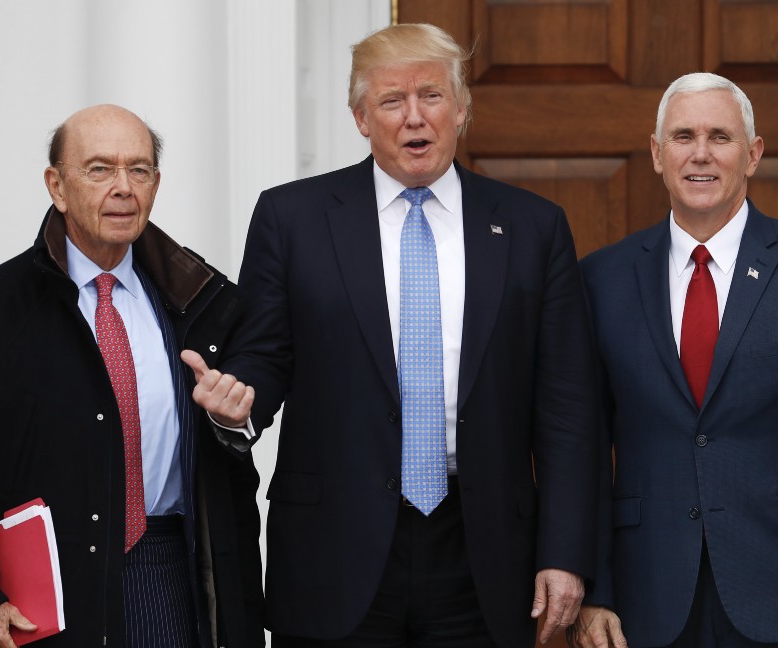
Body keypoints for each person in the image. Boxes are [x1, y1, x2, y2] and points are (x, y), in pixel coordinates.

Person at [182, 22, 598, 647]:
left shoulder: (532, 227)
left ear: (461, 109)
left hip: (483, 553)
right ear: (359, 118)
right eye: (391, 101)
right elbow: (265, 356)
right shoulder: (291, 218)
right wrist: (236, 404)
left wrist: (565, 553)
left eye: (431, 95)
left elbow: (566, 406)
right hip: (334, 548)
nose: (414, 118)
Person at [0, 105, 264, 648]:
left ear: (156, 185)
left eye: (139, 170)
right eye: (99, 169)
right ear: (57, 186)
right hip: (40, 596)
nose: (123, 188)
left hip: (174, 579)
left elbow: (238, 441)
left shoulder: (203, 307)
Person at [571, 72, 778, 648]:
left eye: (720, 136)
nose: (700, 154)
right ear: (656, 152)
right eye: (683, 136)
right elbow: (585, 449)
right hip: (649, 603)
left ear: (753, 154)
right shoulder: (601, 279)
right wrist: (596, 589)